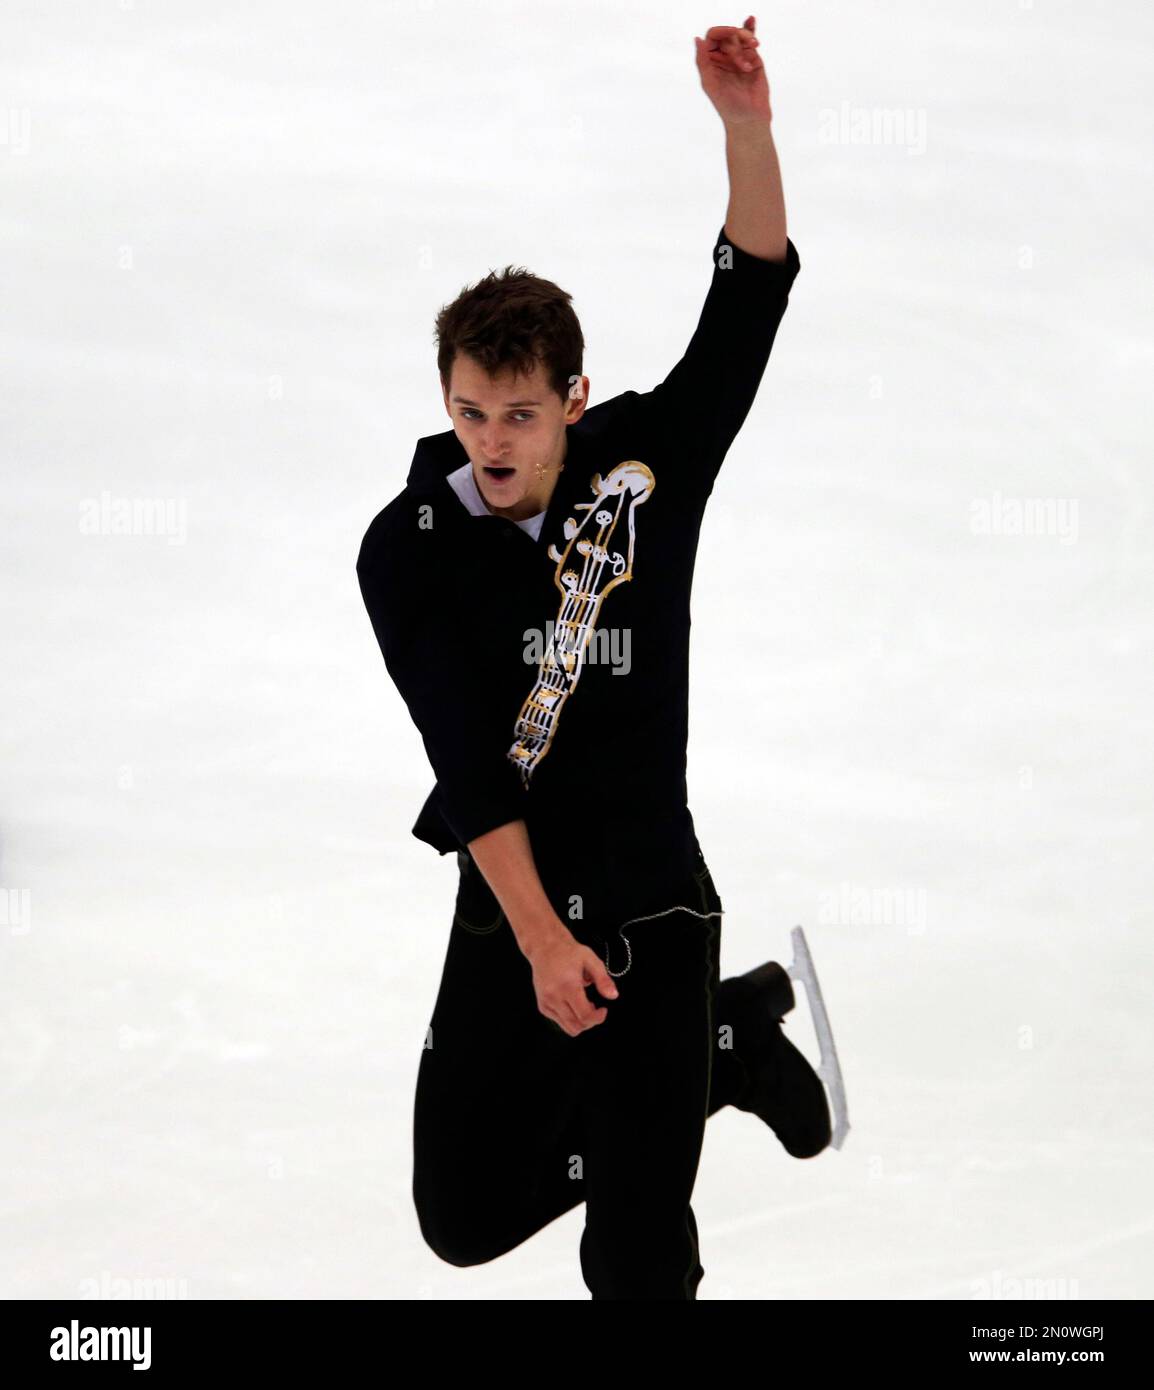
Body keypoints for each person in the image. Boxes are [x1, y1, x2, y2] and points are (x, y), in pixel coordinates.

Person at [356, 16, 831, 1300]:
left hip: (645, 896)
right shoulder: (405, 551)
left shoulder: (643, 469)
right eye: (467, 410)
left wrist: (744, 128)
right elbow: (469, 765)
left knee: (632, 1242)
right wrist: (531, 944)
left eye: (518, 413)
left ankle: (683, 1056)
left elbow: (746, 302)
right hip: (509, 893)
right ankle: (720, 1059)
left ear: (573, 399)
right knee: (461, 1214)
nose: (491, 441)